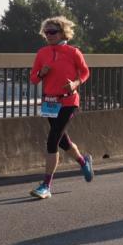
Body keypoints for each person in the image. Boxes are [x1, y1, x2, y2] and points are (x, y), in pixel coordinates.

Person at [29, 16, 94, 198]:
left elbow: (85, 72)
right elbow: (33, 79)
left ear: (63, 33)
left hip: (68, 101)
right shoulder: (42, 53)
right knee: (63, 141)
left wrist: (75, 83)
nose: (49, 35)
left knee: (52, 140)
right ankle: (83, 161)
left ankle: (46, 186)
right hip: (50, 103)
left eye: (52, 32)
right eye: (46, 32)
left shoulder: (73, 52)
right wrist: (41, 73)